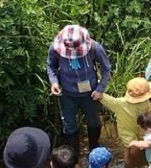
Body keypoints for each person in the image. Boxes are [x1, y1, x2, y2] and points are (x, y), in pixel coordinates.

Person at [46, 25, 111, 155]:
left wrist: (100, 89)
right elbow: (50, 65)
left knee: (94, 122)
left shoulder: (94, 48)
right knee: (69, 126)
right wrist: (54, 82)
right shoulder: (55, 49)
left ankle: (94, 150)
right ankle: (74, 156)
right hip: (67, 95)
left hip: (91, 94)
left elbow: (106, 68)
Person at [99, 77, 151, 162]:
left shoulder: (120, 103)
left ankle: (130, 162)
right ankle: (133, 162)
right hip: (133, 129)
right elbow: (150, 112)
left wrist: (99, 95)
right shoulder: (122, 103)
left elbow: (108, 99)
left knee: (133, 145)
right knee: (134, 147)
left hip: (134, 130)